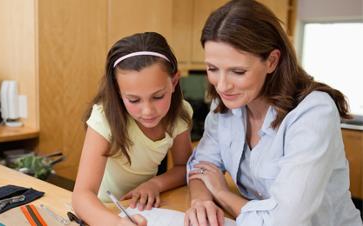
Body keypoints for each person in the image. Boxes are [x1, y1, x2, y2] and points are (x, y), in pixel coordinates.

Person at [184, 1, 363, 226]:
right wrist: (200, 202)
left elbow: (284, 221)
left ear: (271, 61)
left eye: (237, 71)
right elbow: (201, 164)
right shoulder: (227, 103)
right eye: (212, 69)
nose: (221, 85)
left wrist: (221, 193)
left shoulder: (313, 113)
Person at [72, 32, 193, 226]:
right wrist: (116, 224)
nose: (148, 111)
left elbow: (184, 167)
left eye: (158, 96)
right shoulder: (104, 117)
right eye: (134, 100)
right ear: (118, 92)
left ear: (174, 82)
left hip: (146, 207)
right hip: (103, 211)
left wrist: (155, 184)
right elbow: (81, 196)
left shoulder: (179, 114)